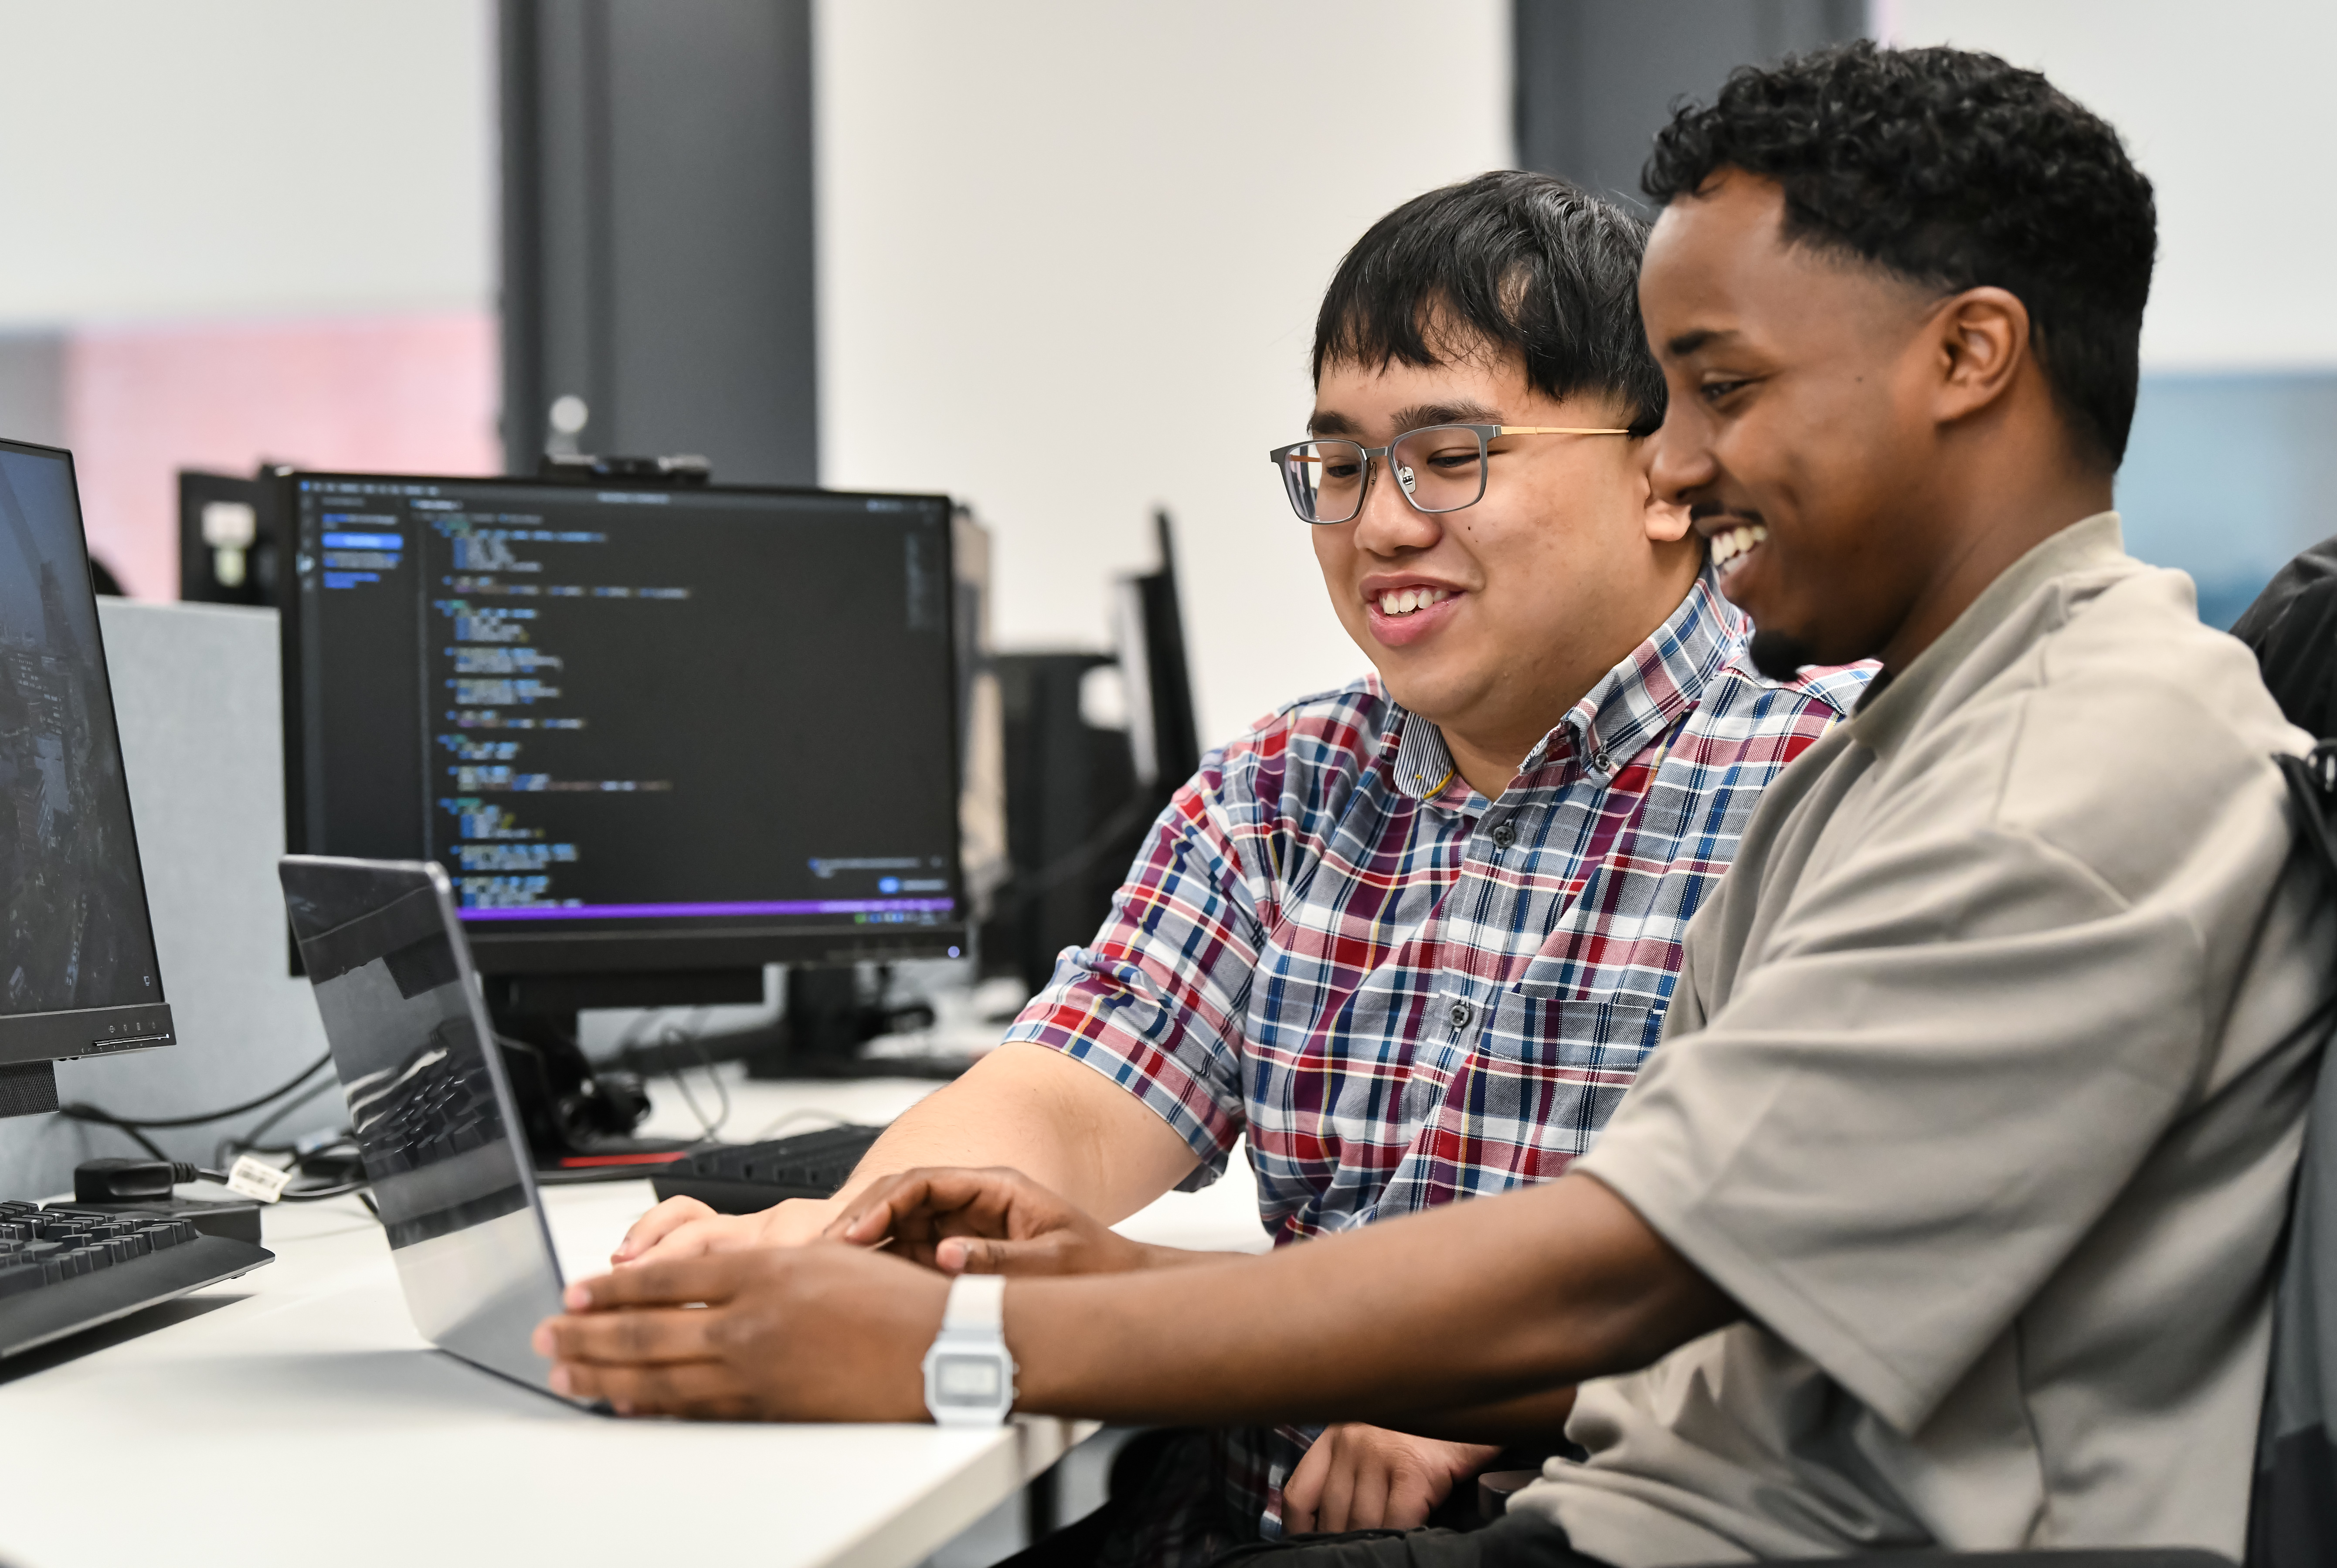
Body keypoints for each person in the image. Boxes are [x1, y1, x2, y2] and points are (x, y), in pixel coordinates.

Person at [537, 40, 2337, 1566]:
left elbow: (1612, 1287)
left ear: (1966, 360)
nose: (1693, 463)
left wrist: (967, 1347)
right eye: (1337, 466)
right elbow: (1692, 1325)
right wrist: (1047, 1281)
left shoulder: (2031, 777)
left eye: (1718, 393)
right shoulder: (1922, 745)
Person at [614, 170, 1864, 1554]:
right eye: (1339, 466)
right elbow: (1076, 1093)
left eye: (1451, 455)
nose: (1381, 525)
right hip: (1248, 1513)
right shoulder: (1287, 788)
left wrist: (1476, 1387)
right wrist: (829, 1243)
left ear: (1664, 474)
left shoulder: (1822, 788)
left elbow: (1809, 1294)